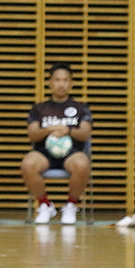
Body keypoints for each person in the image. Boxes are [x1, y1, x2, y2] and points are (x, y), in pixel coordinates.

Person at [21, 62, 93, 225]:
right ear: (50, 82)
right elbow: (32, 134)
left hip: (72, 153)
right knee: (28, 164)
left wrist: (67, 130)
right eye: (57, 80)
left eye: (65, 80)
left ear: (71, 83)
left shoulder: (81, 108)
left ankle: (71, 205)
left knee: (82, 164)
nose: (61, 84)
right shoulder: (39, 108)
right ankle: (45, 205)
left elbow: (85, 133)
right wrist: (50, 129)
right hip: (44, 153)